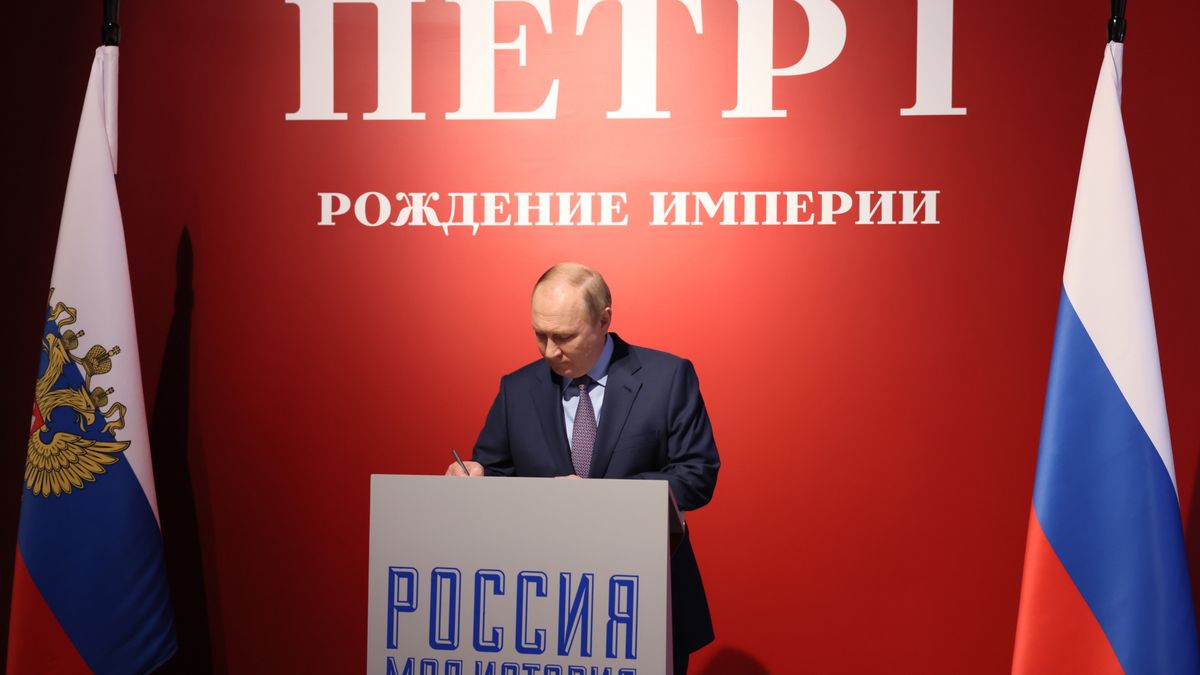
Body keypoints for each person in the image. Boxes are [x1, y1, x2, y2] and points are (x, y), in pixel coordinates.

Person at [446, 262, 720, 674]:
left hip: (645, 598)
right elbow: (497, 473)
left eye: (565, 336)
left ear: (604, 320)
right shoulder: (517, 389)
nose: (549, 351)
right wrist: (477, 477)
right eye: (540, 334)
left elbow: (697, 474)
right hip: (543, 607)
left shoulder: (668, 378)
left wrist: (600, 502)